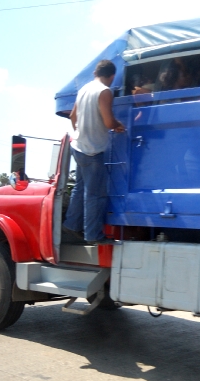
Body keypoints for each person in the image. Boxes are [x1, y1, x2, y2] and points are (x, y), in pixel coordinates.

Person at [63, 60, 125, 245]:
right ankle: (93, 235)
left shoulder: (84, 89)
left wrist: (79, 133)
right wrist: (118, 125)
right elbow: (108, 122)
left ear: (96, 73)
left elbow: (73, 116)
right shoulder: (104, 92)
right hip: (93, 150)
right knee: (95, 194)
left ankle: (72, 224)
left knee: (79, 188)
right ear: (112, 76)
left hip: (78, 147)